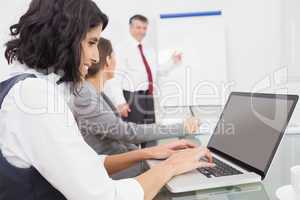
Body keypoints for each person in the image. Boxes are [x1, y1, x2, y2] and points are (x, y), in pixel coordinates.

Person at [0, 1, 215, 200]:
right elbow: (104, 196)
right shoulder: (35, 96)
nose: (95, 57)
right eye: (92, 42)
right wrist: (172, 165)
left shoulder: (25, 86)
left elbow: (83, 164)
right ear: (64, 38)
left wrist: (149, 152)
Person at [70, 38, 199, 178]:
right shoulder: (86, 95)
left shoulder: (94, 92)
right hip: (115, 172)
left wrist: (153, 153)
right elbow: (129, 132)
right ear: (107, 60)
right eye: (114, 56)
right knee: (186, 168)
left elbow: (125, 136)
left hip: (125, 161)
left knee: (183, 160)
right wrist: (182, 127)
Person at [104, 14, 184, 147]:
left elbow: (157, 71)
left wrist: (173, 62)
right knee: (134, 136)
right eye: (138, 27)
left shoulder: (149, 49)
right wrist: (120, 102)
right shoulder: (122, 48)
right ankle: (135, 165)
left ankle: (150, 163)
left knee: (151, 132)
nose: (142, 31)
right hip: (131, 97)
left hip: (148, 96)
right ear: (130, 27)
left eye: (144, 28)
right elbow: (116, 77)